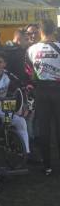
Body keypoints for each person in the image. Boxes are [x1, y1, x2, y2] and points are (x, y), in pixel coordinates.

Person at [26, 19, 60, 175]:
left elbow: (28, 72)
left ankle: (47, 166)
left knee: (43, 129)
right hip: (57, 90)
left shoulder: (31, 49)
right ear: (55, 30)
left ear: (40, 31)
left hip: (41, 91)